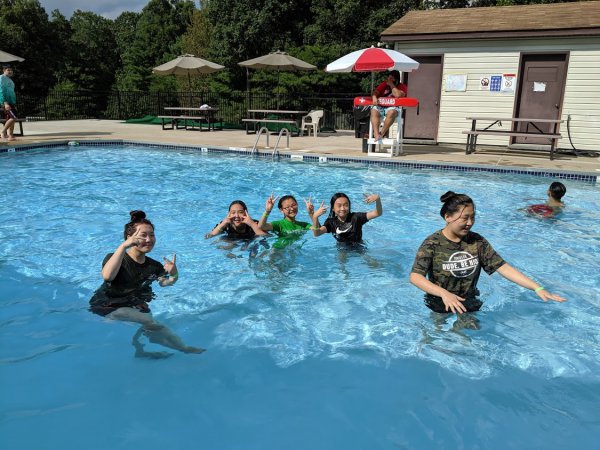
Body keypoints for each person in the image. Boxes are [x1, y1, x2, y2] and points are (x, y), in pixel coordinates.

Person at [409, 191, 566, 314]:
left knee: (467, 338)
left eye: (473, 217)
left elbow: (502, 267)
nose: (470, 223)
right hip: (439, 302)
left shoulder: (477, 242)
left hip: (468, 301)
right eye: (465, 218)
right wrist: (444, 294)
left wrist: (537, 288)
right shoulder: (432, 243)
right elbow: (415, 276)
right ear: (448, 217)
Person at [89, 210, 204, 356]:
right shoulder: (116, 258)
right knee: (149, 322)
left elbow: (165, 283)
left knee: (149, 324)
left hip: (134, 303)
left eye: (152, 235)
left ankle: (140, 351)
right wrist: (123, 246)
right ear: (129, 238)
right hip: (107, 305)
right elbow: (107, 276)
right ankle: (183, 348)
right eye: (143, 235)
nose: (149, 239)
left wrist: (174, 273)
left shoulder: (154, 266)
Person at [306, 193, 383, 244]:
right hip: (342, 248)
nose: (342, 208)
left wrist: (378, 199)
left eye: (346, 205)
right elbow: (317, 233)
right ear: (333, 208)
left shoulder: (356, 217)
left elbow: (377, 213)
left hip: (359, 246)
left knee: (370, 262)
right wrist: (313, 215)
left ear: (349, 206)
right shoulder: (331, 222)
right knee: (341, 263)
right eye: (339, 206)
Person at [370, 70, 407, 140]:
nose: (389, 80)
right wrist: (374, 97)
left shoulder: (402, 86)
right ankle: (376, 134)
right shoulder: (384, 84)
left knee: (391, 112)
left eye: (391, 78)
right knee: (374, 110)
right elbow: (375, 92)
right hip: (381, 107)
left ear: (396, 79)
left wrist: (391, 85)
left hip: (393, 108)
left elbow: (398, 95)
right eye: (388, 78)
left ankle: (382, 133)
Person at [0, 64, 18, 142]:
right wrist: (5, 103)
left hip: (12, 103)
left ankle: (10, 135)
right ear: (4, 70)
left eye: (11, 70)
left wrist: (14, 103)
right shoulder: (1, 78)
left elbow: (12, 93)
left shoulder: (11, 81)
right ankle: (3, 131)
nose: (10, 71)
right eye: (8, 70)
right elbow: (0, 91)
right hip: (5, 102)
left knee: (12, 119)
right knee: (13, 117)